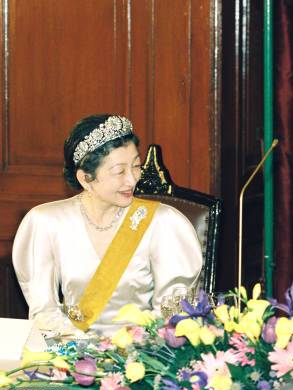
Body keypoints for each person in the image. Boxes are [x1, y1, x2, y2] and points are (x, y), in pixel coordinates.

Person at [12, 114, 202, 337]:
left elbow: (173, 316)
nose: (132, 180)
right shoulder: (45, 222)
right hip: (74, 357)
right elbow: (44, 314)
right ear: (86, 179)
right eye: (119, 172)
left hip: (142, 361)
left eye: (136, 166)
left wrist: (130, 356)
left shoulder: (165, 223)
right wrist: (88, 354)